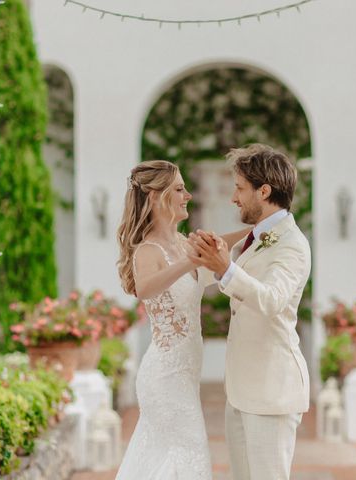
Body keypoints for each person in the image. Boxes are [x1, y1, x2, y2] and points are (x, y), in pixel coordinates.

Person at [115, 160, 248, 479]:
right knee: (190, 453)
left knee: (170, 457)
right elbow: (146, 287)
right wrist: (188, 261)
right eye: (179, 189)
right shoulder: (148, 249)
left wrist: (261, 230)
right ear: (155, 197)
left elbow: (222, 244)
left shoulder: (182, 243)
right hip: (165, 377)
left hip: (185, 377)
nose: (187, 195)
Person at [189, 144, 312, 480]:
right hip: (242, 391)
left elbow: (272, 300)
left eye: (239, 188)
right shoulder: (258, 238)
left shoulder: (292, 245)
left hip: (272, 393)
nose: (233, 197)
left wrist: (226, 269)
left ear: (264, 191)